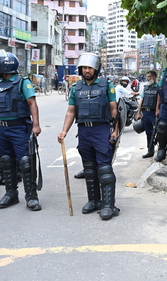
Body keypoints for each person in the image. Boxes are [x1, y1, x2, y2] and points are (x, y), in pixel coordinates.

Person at [58, 52, 120, 220]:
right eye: (84, 67)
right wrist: (64, 131)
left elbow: (114, 109)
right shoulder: (76, 88)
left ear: (96, 69)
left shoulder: (107, 85)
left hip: (101, 130)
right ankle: (94, 201)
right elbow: (71, 112)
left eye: (90, 68)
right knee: (89, 169)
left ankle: (108, 205)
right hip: (84, 131)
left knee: (105, 169)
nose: (86, 70)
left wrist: (115, 130)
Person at [0, 49, 42, 211]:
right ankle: (11, 194)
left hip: (19, 127)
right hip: (1, 128)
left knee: (26, 162)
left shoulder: (23, 83)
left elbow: (32, 103)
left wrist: (36, 124)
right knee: (6, 160)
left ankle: (31, 197)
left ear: (7, 66)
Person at [137, 70, 160, 158]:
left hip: (154, 112)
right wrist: (139, 113)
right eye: (147, 76)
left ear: (154, 77)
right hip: (145, 112)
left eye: (149, 76)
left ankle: (160, 148)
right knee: (148, 132)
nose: (147, 78)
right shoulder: (146, 87)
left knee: (158, 132)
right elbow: (142, 100)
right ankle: (150, 150)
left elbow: (159, 101)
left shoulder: (158, 88)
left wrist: (158, 111)